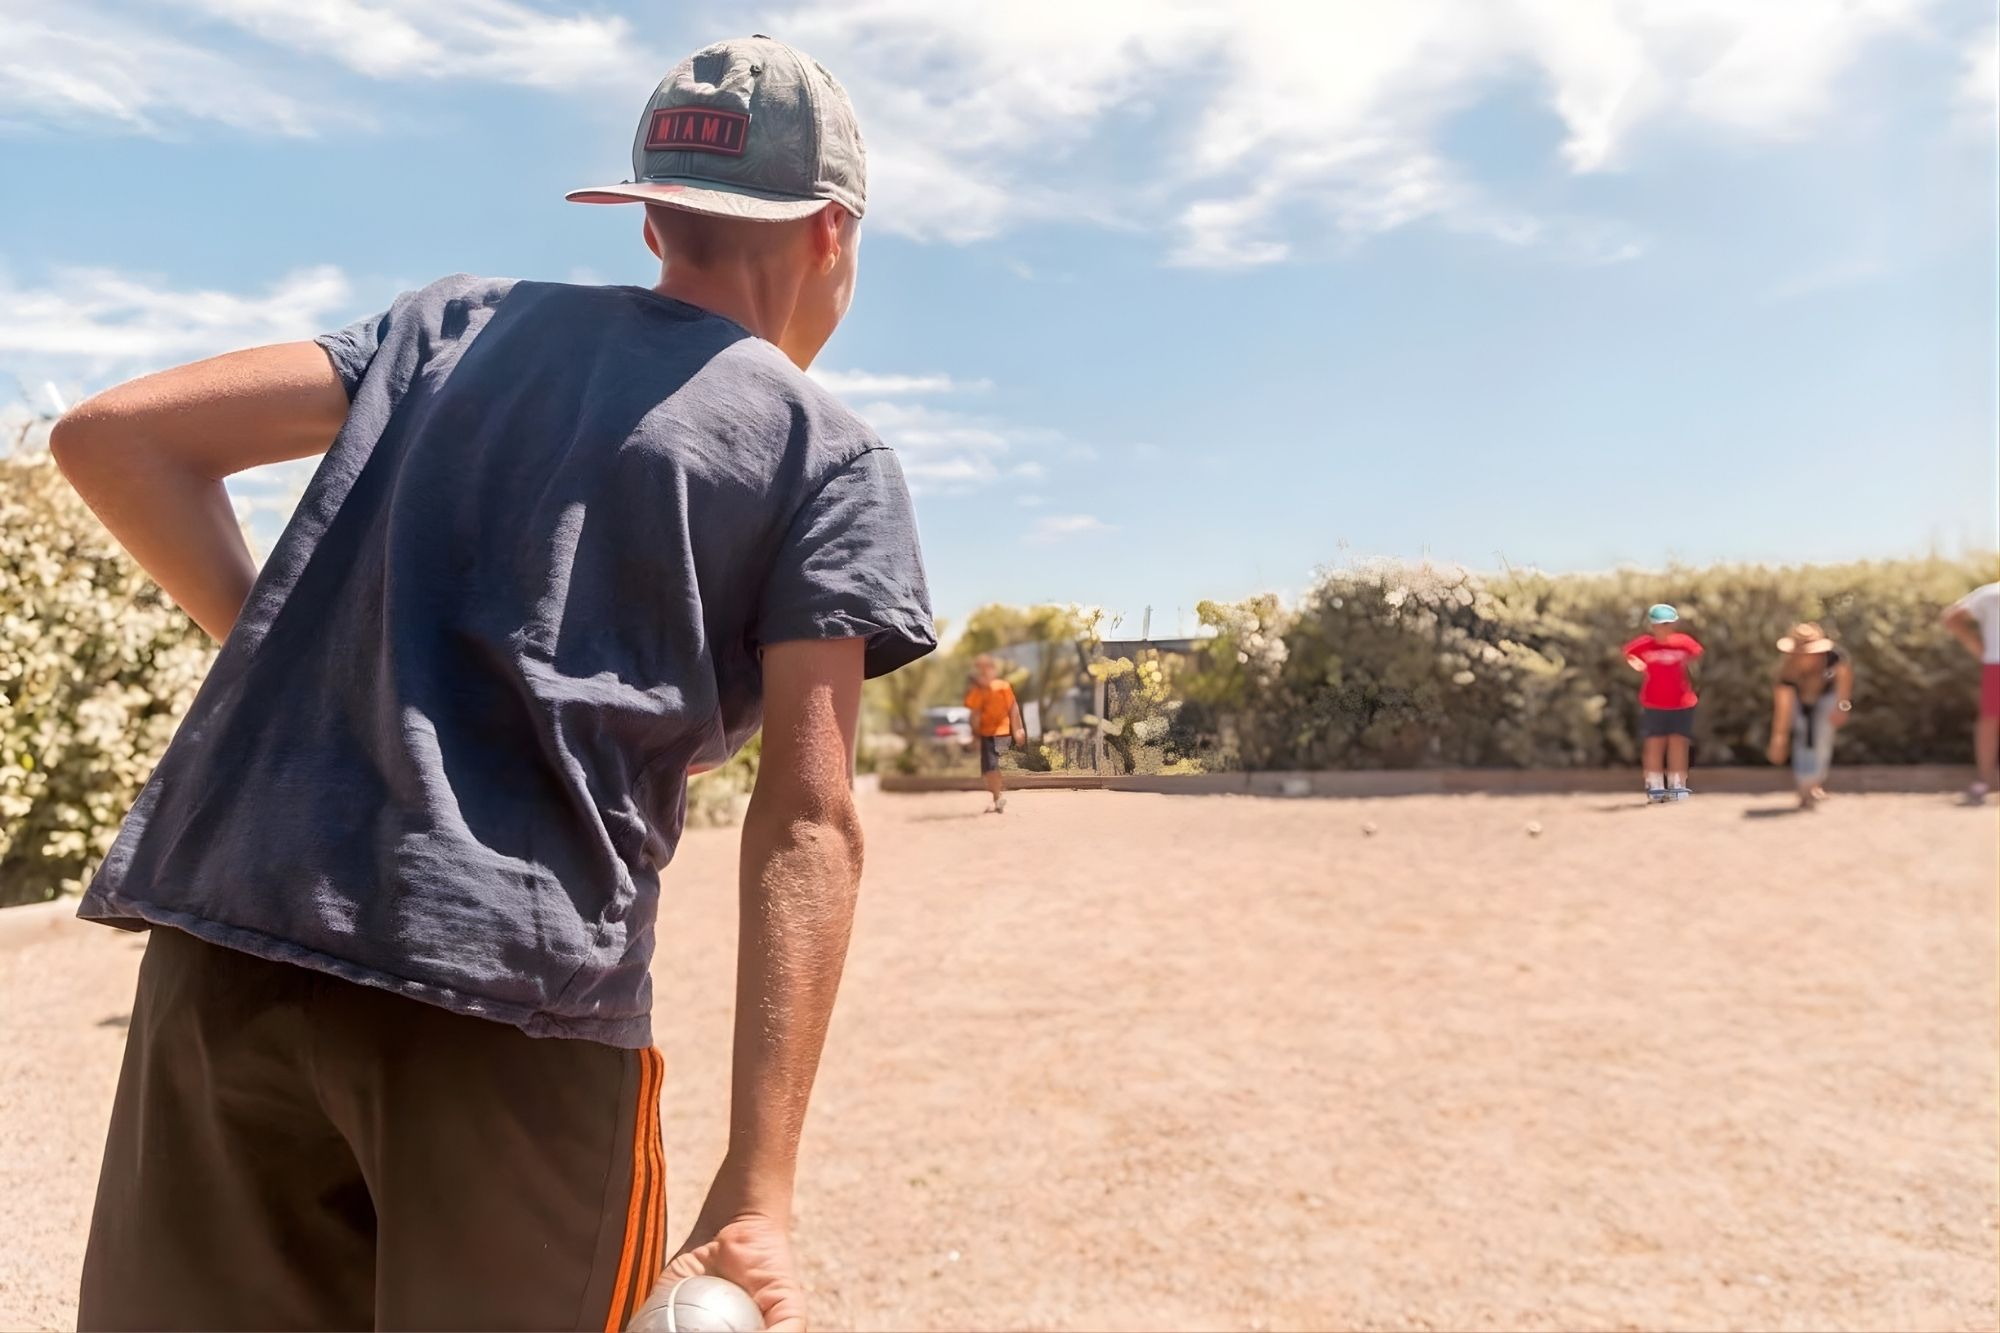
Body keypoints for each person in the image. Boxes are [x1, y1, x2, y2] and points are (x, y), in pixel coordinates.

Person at [50, 36, 933, 1332]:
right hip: (508, 1007)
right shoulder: (823, 453)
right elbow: (808, 821)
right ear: (833, 231)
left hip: (226, 941)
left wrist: (296, 645)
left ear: (650, 215)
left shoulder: (452, 323)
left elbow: (113, 437)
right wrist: (759, 1185)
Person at [1765, 621, 1853, 810]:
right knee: (1802, 735)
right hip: (1800, 702)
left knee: (1822, 737)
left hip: (1827, 697)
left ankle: (1814, 783)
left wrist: (1842, 706)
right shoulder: (1786, 674)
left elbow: (1844, 680)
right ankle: (1805, 786)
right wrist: (1779, 739)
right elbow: (1783, 707)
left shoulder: (1833, 658)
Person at [1623, 603, 1703, 803]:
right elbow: (1629, 654)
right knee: (1654, 743)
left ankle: (1677, 786)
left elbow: (1695, 654)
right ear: (1653, 626)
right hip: (1654, 703)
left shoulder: (1684, 643)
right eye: (1660, 624)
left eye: (1668, 624)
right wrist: (1638, 665)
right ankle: (1655, 786)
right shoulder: (1645, 645)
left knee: (1678, 742)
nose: (1664, 628)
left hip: (1681, 703)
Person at [1943, 580, 2000, 802]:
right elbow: (1952, 617)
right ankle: (1984, 780)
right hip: (1996, 664)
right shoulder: (1991, 594)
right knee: (1990, 720)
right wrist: (1979, 650)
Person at [964, 653, 1027, 813]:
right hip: (985, 734)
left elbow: (1013, 708)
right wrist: (974, 735)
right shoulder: (977, 692)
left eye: (987, 668)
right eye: (980, 669)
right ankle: (997, 797)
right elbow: (974, 714)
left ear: (993, 670)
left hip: (1000, 732)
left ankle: (998, 797)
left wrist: (1018, 729)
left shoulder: (1002, 686)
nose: (984, 672)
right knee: (987, 770)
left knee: (992, 766)